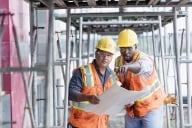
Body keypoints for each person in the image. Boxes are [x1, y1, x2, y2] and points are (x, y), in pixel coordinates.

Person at [114, 29, 166, 128]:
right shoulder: (118, 61)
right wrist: (125, 97)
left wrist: (128, 67)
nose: (126, 52)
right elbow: (119, 82)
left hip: (151, 107)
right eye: (122, 49)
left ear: (136, 47)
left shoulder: (145, 59)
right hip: (132, 110)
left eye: (129, 48)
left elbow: (140, 67)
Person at [68, 37, 117, 128]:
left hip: (101, 124)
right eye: (102, 54)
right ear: (96, 53)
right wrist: (88, 97)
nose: (105, 58)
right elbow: (70, 93)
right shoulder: (82, 72)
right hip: (80, 124)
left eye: (109, 55)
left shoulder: (112, 76)